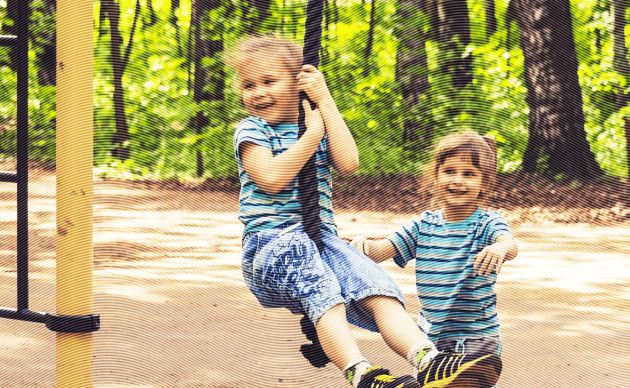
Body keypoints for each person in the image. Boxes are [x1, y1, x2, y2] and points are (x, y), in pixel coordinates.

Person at [227, 35, 501, 388]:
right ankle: (362, 374)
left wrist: (324, 101)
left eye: (268, 81)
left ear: (300, 83)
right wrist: (311, 135)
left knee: (378, 287)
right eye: (249, 85)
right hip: (271, 247)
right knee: (323, 292)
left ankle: (428, 360)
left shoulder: (316, 125)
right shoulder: (251, 130)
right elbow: (271, 179)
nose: (257, 93)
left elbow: (349, 163)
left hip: (321, 242)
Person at [352, 132, 517, 387]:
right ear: (436, 176)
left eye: (469, 174)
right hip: (430, 337)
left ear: (485, 183)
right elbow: (381, 250)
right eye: (449, 171)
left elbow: (509, 244)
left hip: (477, 336)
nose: (457, 180)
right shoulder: (423, 225)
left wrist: (499, 249)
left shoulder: (487, 222)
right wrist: (361, 246)